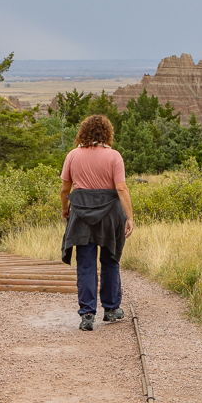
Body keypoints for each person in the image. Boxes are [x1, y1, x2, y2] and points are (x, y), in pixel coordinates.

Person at [60, 114, 135, 331]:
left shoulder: (72, 155)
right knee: (111, 259)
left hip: (81, 214)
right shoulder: (114, 157)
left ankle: (87, 315)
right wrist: (129, 217)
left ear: (83, 132)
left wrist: (65, 209)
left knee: (86, 264)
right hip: (111, 214)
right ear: (107, 133)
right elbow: (121, 188)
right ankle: (111, 310)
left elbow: (66, 188)